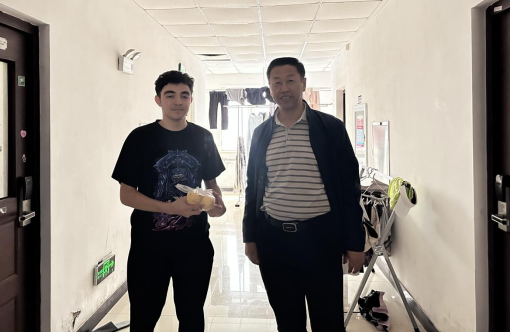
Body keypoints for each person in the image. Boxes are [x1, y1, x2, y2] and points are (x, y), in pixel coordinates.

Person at [243, 58, 365, 332]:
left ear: (303, 84)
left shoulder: (330, 128)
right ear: (270, 88)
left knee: (328, 320)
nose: (284, 88)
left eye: (290, 80)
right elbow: (254, 186)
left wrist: (355, 242)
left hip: (320, 239)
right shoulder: (261, 133)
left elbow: (349, 187)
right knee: (287, 321)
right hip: (274, 241)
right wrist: (250, 236)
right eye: (277, 82)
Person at [112, 71, 226, 332]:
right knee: (144, 317)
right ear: (158, 100)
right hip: (148, 247)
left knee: (192, 316)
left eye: (184, 95)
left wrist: (217, 206)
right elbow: (126, 194)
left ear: (191, 100)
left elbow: (212, 185)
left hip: (195, 246)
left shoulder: (203, 137)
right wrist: (170, 208)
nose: (178, 101)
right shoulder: (140, 138)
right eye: (170, 95)